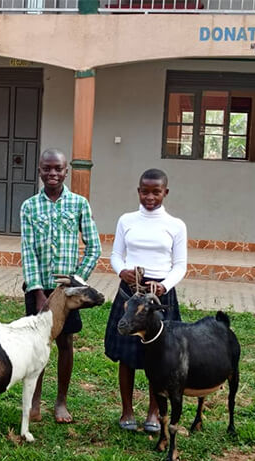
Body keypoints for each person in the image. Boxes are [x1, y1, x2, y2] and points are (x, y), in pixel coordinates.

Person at [20, 148, 101, 424]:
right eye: (47, 168)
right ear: (40, 170)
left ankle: (61, 402)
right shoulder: (29, 207)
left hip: (69, 295)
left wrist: (77, 282)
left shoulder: (79, 204)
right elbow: (28, 251)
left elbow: (94, 247)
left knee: (65, 342)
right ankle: (34, 401)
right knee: (38, 344)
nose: (52, 173)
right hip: (38, 288)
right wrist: (37, 290)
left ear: (66, 171)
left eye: (58, 169)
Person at [104, 168, 187, 433]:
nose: (149, 196)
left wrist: (164, 286)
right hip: (131, 294)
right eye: (144, 191)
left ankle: (154, 412)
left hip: (160, 298)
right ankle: (127, 410)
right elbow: (116, 255)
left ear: (166, 192)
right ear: (138, 191)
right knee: (127, 356)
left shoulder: (176, 225)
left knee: (160, 357)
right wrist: (122, 271)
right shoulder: (126, 220)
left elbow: (180, 265)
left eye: (156, 191)